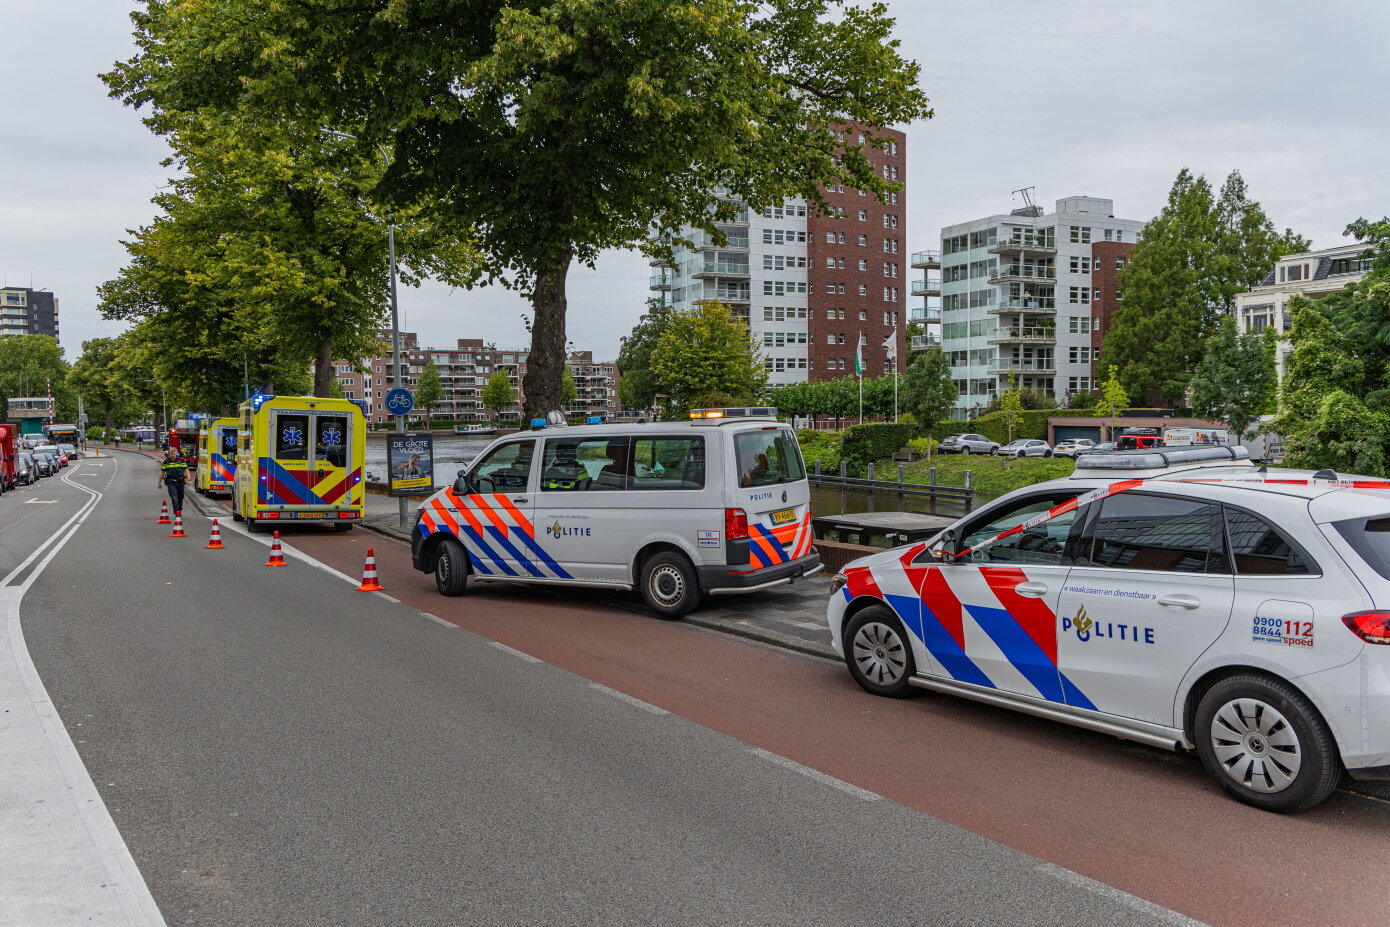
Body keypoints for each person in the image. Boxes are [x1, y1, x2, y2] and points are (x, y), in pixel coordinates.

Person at [156, 446, 189, 515]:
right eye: (171, 454)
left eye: (174, 454)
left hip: (180, 481)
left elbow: (186, 470)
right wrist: (159, 482)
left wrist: (188, 479)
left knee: (180, 497)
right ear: (169, 454)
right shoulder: (166, 462)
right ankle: (177, 511)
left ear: (176, 454)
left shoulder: (181, 461)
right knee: (174, 497)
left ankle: (179, 509)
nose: (173, 456)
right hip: (170, 482)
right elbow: (162, 472)